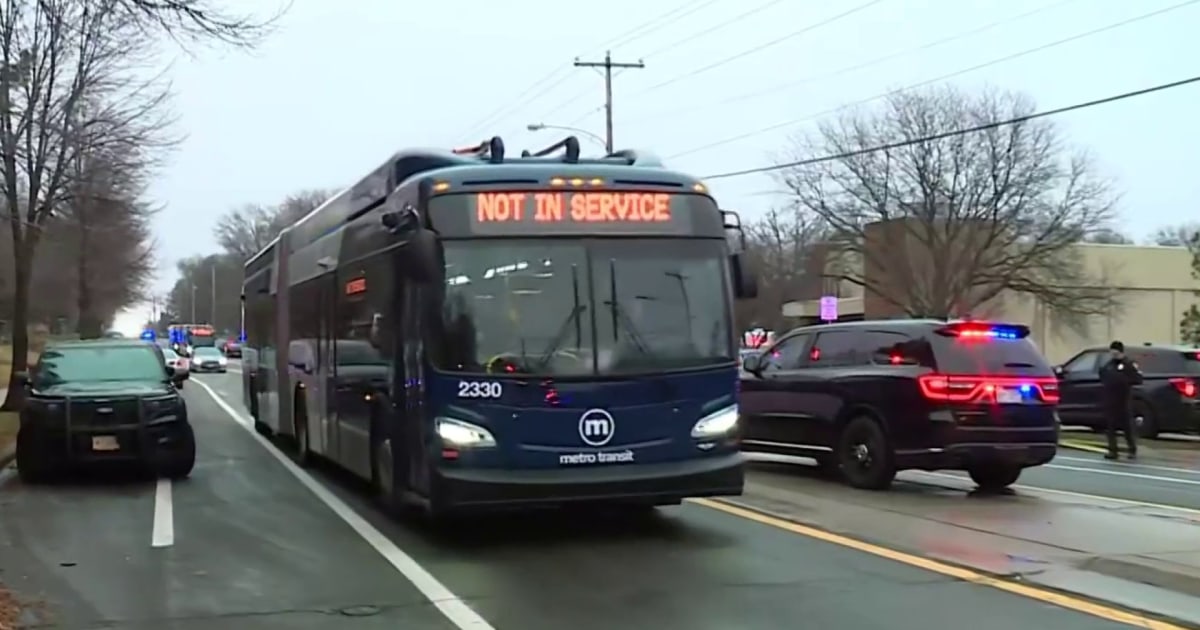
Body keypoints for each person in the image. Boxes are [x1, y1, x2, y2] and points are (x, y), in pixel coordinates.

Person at [1098, 340, 1143, 460]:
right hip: (1110, 399)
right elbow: (1102, 376)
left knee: (1127, 426)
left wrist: (1123, 380)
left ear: (1121, 352)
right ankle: (1113, 450)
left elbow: (1137, 379)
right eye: (1112, 352)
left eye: (1116, 352)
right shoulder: (1109, 365)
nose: (1113, 354)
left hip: (1123, 399)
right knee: (1111, 427)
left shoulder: (1128, 364)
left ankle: (1132, 449)